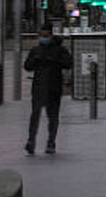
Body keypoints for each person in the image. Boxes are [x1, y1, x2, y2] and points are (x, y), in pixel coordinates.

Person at [24, 24, 72, 155]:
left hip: (53, 87)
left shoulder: (59, 50)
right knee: (35, 115)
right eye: (41, 35)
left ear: (51, 35)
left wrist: (53, 61)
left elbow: (68, 63)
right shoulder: (36, 50)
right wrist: (36, 60)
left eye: (46, 35)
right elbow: (27, 66)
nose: (43, 38)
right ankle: (31, 141)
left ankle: (51, 141)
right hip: (38, 87)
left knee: (52, 116)